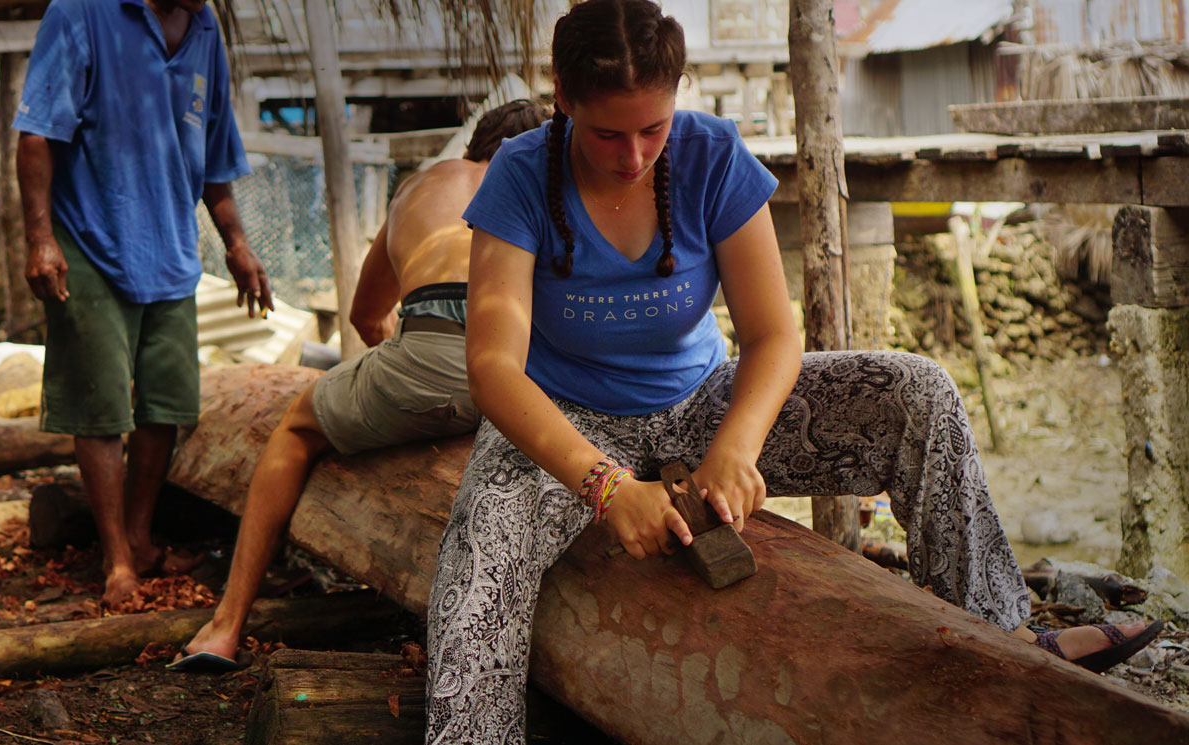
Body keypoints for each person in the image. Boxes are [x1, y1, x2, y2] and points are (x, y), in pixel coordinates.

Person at [425, 1, 1164, 741]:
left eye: (652, 128)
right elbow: (493, 367)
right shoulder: (521, 176)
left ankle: (1002, 637)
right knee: (479, 547)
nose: (632, 156)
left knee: (917, 393)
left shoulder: (710, 154)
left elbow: (773, 334)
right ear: (562, 98)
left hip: (702, 401)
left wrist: (735, 450)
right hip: (569, 421)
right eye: (607, 133)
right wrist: (605, 485)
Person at [170, 101, 551, 671]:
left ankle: (225, 628)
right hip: (527, 373)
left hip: (429, 352)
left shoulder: (425, 185)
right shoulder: (553, 190)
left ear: (477, 145)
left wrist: (404, 390)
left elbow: (366, 317)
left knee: (295, 430)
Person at [14, 0, 275, 608]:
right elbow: (35, 135)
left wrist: (237, 243)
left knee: (165, 403)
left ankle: (140, 535)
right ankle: (117, 561)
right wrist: (39, 238)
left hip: (171, 248)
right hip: (88, 242)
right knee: (102, 408)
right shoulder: (80, 13)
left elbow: (214, 154)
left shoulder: (205, 27)